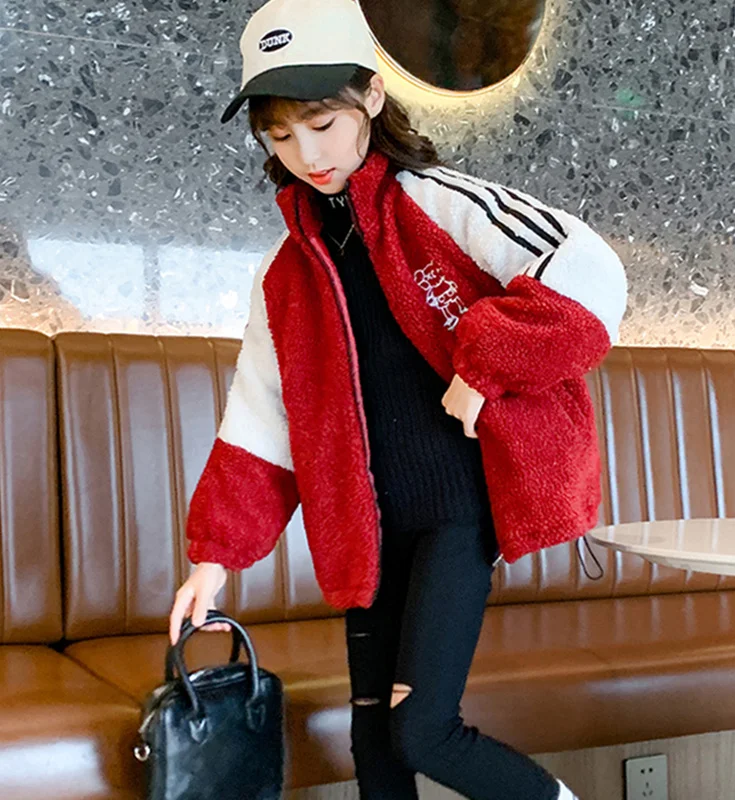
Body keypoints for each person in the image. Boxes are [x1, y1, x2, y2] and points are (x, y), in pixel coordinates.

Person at [168, 1, 628, 798]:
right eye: (280, 136)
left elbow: (590, 276)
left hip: (458, 509)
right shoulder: (286, 275)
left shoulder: (440, 203)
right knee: (375, 747)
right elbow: (262, 417)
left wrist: (486, 365)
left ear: (372, 96)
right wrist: (214, 559)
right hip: (367, 526)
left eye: (321, 124)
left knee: (421, 729)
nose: (306, 154)